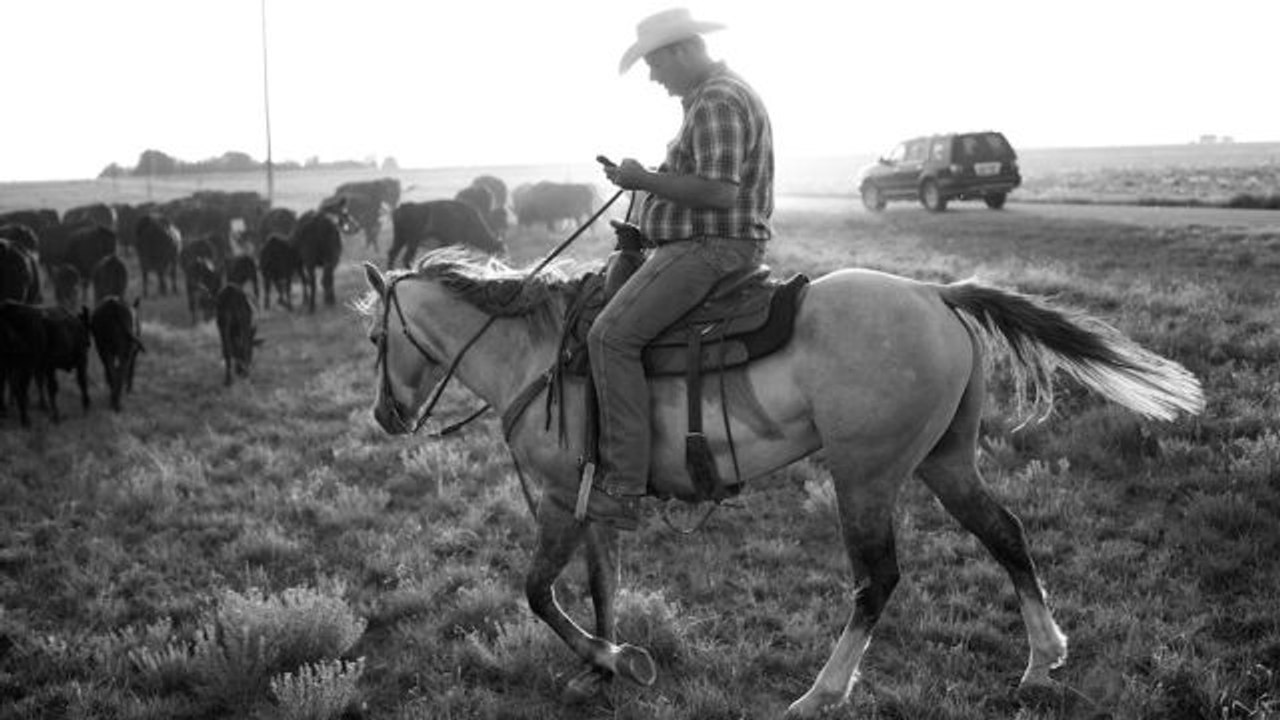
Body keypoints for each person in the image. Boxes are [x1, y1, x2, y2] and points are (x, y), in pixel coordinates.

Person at [585, 7, 774, 531]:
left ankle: (623, 487)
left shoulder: (717, 100)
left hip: (713, 248)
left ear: (681, 51)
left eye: (655, 64)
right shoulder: (712, 97)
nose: (654, 77)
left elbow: (719, 190)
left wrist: (644, 180)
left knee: (609, 339)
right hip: (702, 243)